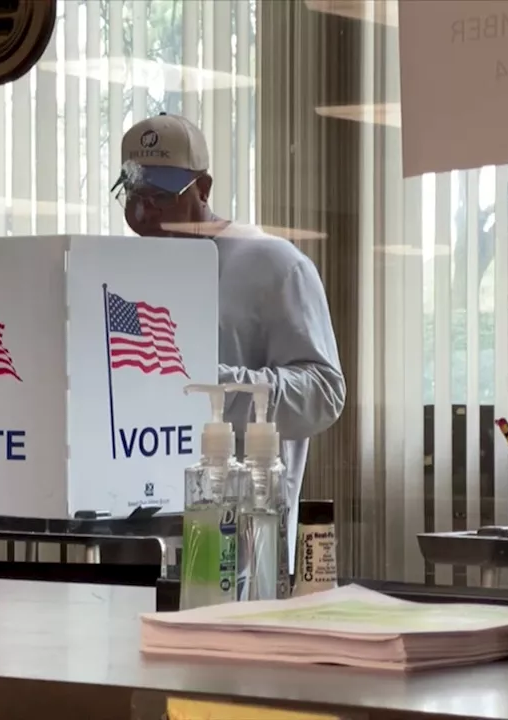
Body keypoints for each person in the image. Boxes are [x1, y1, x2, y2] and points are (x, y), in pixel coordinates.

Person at [115, 113, 345, 564]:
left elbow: (324, 393)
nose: (145, 211)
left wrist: (213, 389)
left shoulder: (274, 264)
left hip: (242, 540)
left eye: (161, 195)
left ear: (203, 189)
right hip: (136, 533)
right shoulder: (120, 269)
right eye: (134, 194)